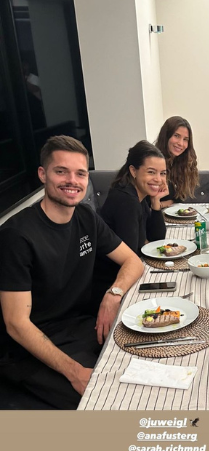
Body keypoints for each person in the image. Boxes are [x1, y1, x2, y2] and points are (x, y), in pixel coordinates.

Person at [0, 135, 144, 410]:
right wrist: (75, 372)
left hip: (80, 327)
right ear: (43, 174)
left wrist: (113, 295)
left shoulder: (86, 217)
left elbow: (132, 261)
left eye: (80, 173)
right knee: (109, 402)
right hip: (28, 351)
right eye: (61, 171)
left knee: (147, 361)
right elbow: (16, 324)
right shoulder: (16, 236)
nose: (72, 181)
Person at [100, 140, 168, 256]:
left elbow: (156, 239)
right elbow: (130, 254)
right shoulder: (127, 201)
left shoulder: (140, 193)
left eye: (162, 173)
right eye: (151, 172)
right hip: (114, 267)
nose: (158, 179)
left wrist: (155, 201)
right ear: (133, 171)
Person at [155, 116, 198, 205]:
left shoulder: (181, 164)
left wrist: (165, 203)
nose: (180, 143)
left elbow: (179, 199)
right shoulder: (152, 162)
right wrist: (163, 204)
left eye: (185, 139)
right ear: (166, 136)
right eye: (176, 136)